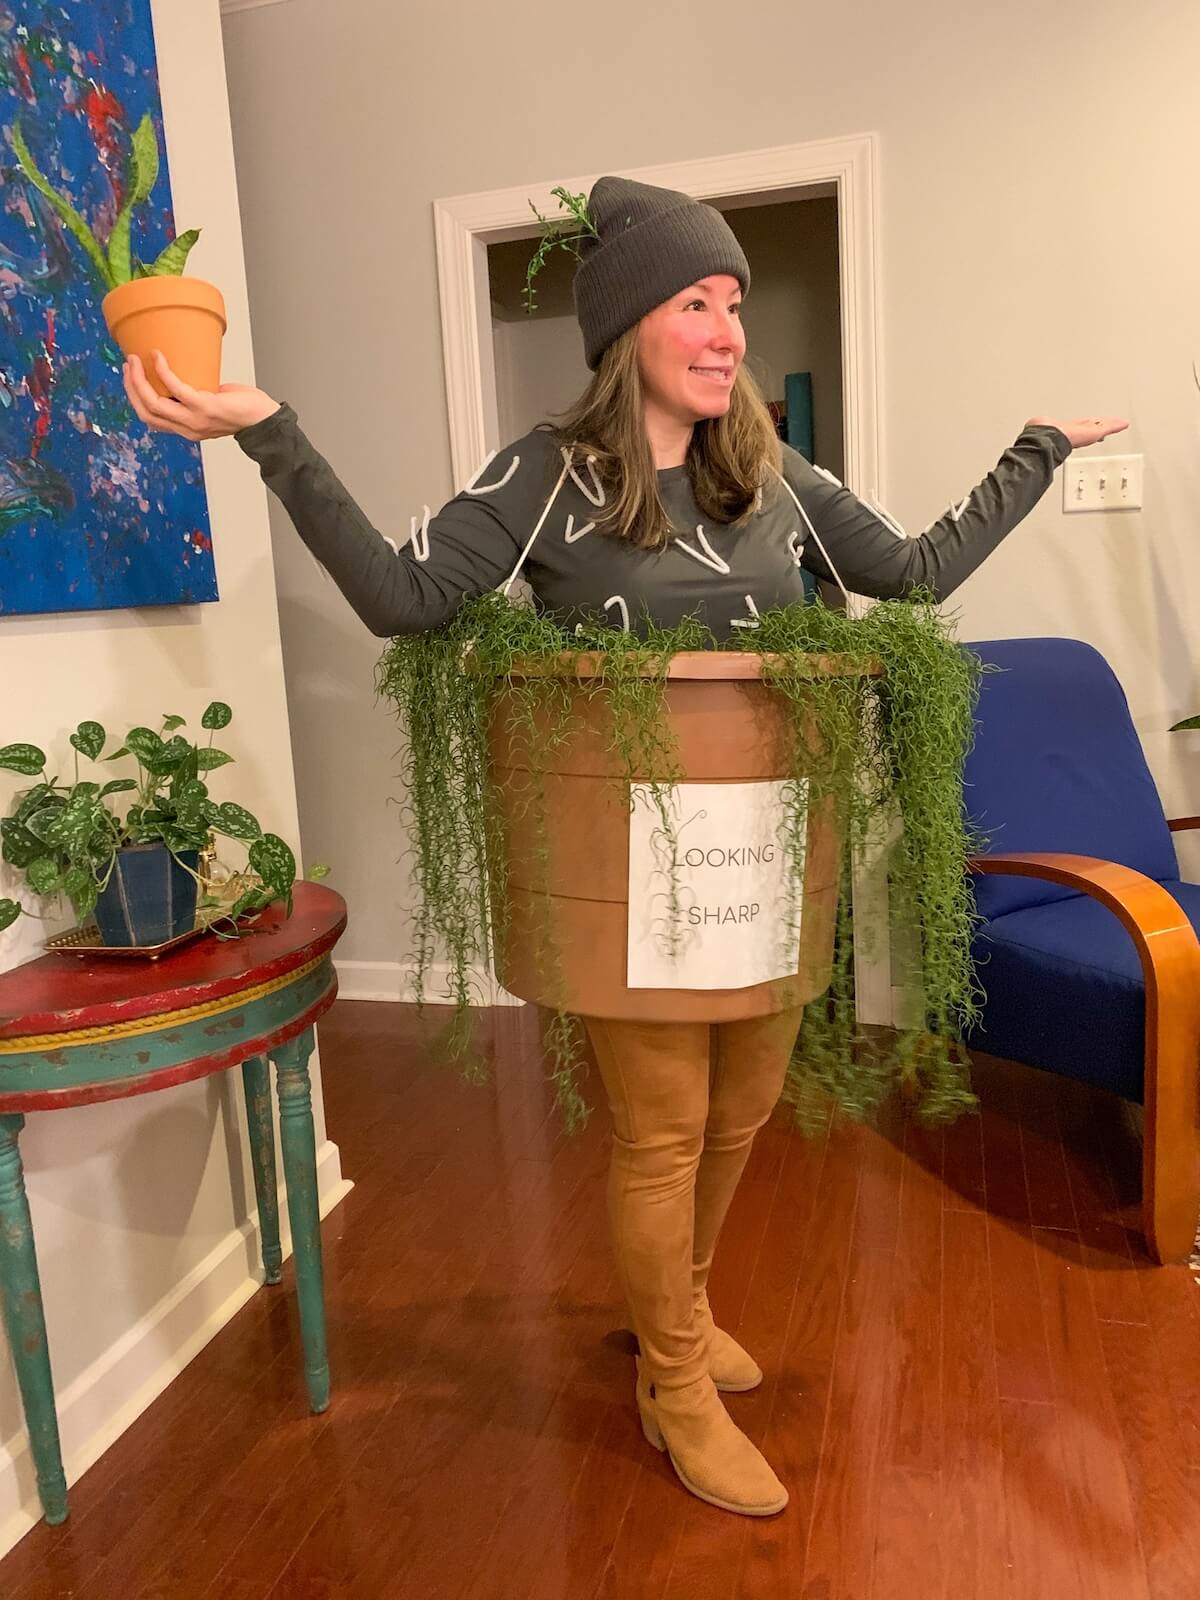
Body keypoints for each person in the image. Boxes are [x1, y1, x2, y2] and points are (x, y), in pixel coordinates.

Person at [124, 173, 1128, 1519]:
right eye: (693, 302)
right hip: (628, 855)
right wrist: (273, 433)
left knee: (748, 1109)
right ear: (626, 327)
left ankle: (689, 1307)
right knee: (662, 1134)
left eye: (734, 304)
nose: (726, 329)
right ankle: (671, 1378)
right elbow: (404, 599)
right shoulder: (550, 474)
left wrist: (1036, 449)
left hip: (773, 848)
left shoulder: (774, 474)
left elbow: (913, 574)